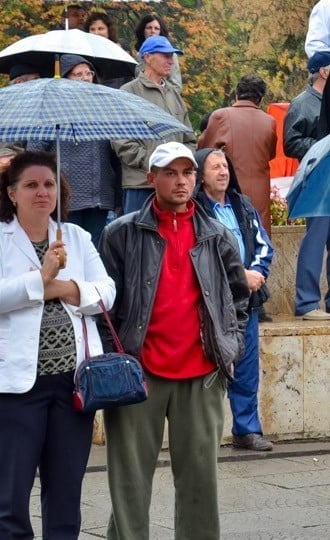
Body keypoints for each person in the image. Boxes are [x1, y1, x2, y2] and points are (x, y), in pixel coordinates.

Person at [98, 141, 248, 540]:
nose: (180, 181)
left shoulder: (217, 235)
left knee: (201, 483)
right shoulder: (120, 233)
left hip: (202, 373)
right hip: (139, 372)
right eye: (170, 173)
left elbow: (239, 297)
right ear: (152, 179)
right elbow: (103, 306)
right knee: (129, 483)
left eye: (187, 173)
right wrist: (117, 359)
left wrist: (230, 346)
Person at [0, 151, 116, 540]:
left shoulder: (76, 237)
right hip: (17, 387)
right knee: (10, 499)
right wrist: (40, 279)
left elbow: (106, 292)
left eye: (48, 184)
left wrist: (63, 287)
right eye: (31, 185)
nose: (41, 192)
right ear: (12, 193)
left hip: (73, 384)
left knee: (66, 493)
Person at [194, 148, 274, 452]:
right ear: (201, 176)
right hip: (212, 302)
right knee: (210, 366)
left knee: (247, 367)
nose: (223, 172)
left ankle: (246, 429)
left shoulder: (242, 205)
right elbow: (201, 255)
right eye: (215, 167)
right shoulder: (197, 212)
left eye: (225, 166)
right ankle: (203, 433)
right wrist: (241, 275)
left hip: (246, 301)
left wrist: (255, 273)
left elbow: (263, 246)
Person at [284, 51, 330, 322]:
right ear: (324, 72)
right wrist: (322, 145)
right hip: (316, 178)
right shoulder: (302, 103)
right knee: (315, 241)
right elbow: (291, 143)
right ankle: (307, 302)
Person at [26, 55, 119, 246]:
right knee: (67, 251)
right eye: (78, 74)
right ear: (66, 78)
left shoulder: (103, 108)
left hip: (100, 198)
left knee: (95, 252)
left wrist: (117, 193)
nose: (86, 78)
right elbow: (34, 153)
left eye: (89, 73)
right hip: (65, 197)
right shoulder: (52, 108)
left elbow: (114, 156)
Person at [115, 35, 195, 214]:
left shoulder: (174, 94)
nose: (171, 61)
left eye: (172, 56)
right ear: (148, 57)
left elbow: (190, 139)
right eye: (165, 56)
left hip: (174, 187)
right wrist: (156, 164)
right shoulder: (128, 93)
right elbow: (121, 142)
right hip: (140, 186)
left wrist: (180, 166)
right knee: (138, 240)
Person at [198, 74, 278, 235]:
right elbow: (270, 154)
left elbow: (202, 153)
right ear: (260, 99)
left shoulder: (220, 116)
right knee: (258, 236)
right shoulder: (269, 121)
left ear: (237, 94)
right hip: (259, 191)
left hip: (227, 188)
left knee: (229, 236)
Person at [133, 13, 182, 89]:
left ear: (160, 32)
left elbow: (176, 85)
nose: (153, 31)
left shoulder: (171, 56)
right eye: (149, 28)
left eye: (156, 28)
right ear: (143, 31)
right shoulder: (139, 55)